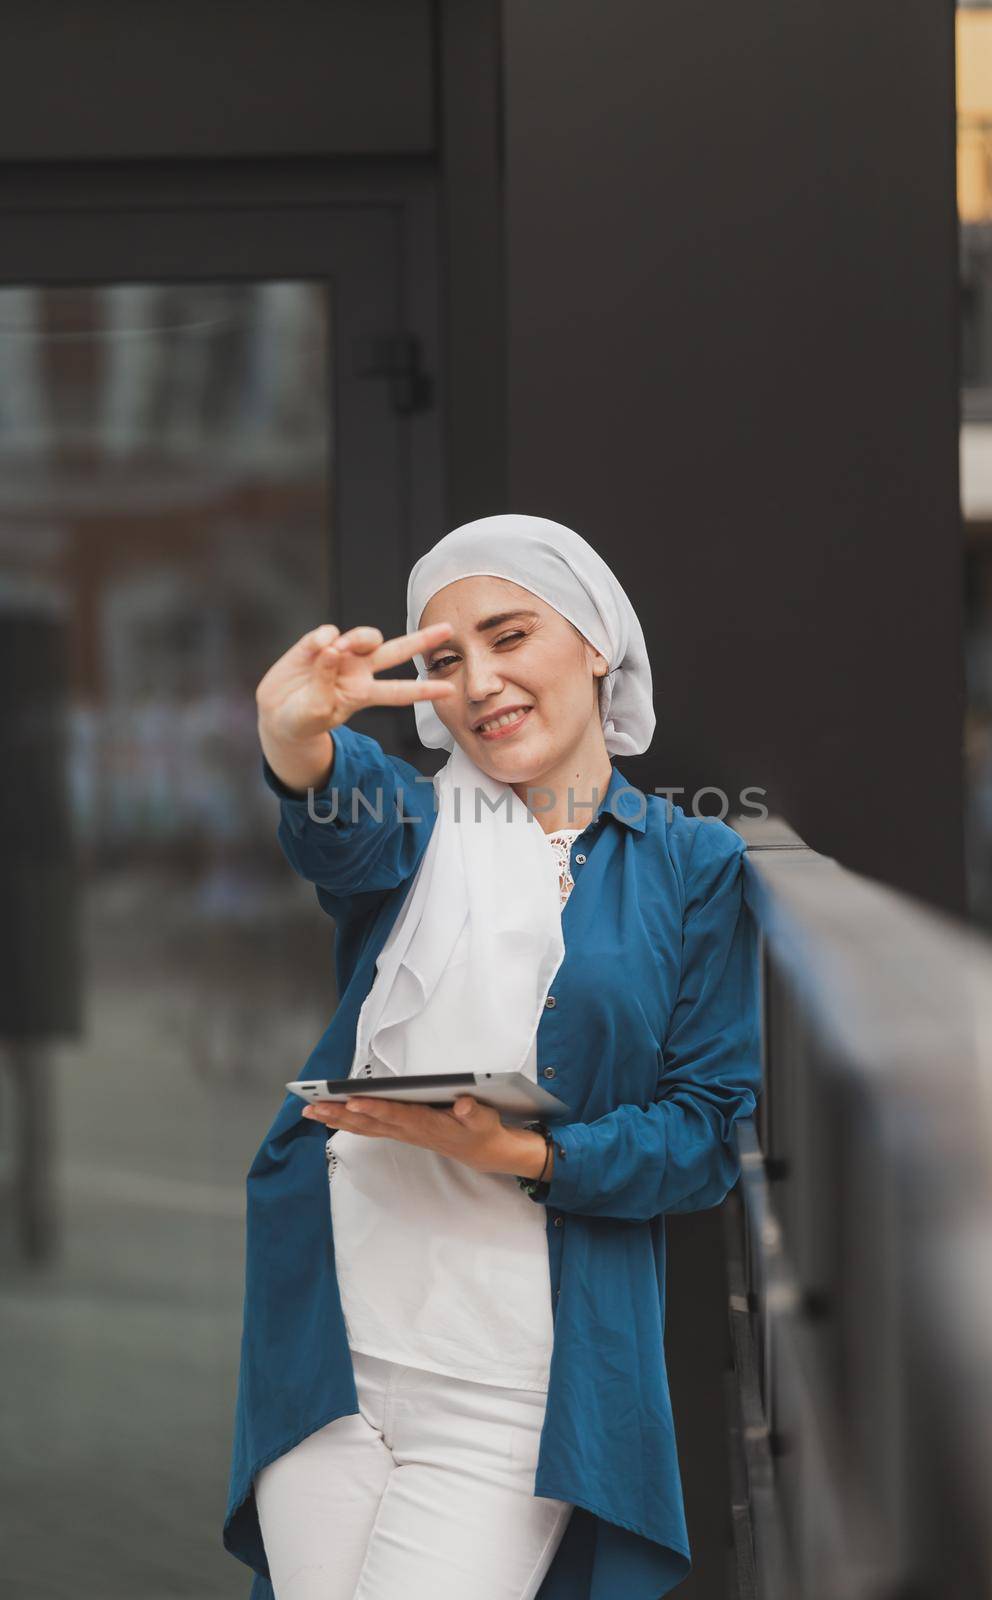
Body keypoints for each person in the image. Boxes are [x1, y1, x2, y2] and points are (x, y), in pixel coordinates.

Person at [224, 513, 762, 1599]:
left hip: (513, 1374)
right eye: (442, 662)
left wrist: (519, 1152)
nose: (478, 683)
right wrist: (295, 739)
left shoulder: (690, 863)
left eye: (509, 636)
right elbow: (338, 813)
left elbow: (703, 1131)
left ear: (596, 641)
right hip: (332, 1342)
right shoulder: (417, 826)